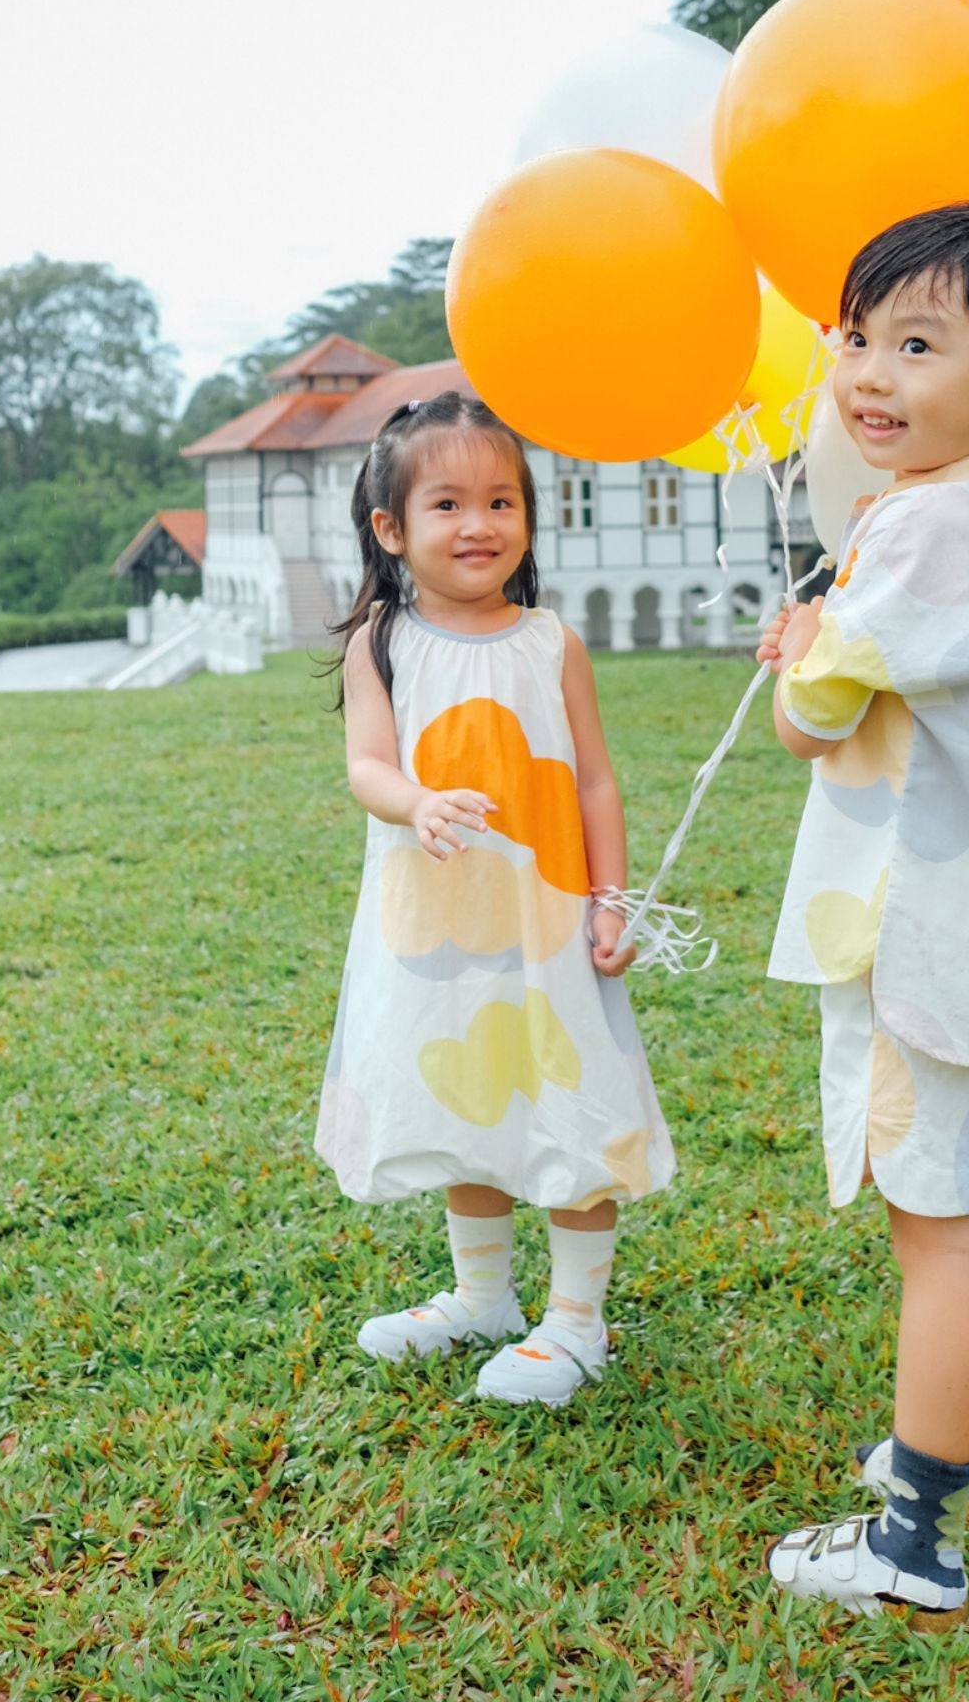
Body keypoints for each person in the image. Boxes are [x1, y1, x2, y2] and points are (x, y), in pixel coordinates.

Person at [756, 203, 969, 1627]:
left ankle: (914, 1538)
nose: (868, 375)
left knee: (935, 1234)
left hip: (933, 943)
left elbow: (809, 718)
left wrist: (798, 650)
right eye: (857, 337)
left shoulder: (925, 532)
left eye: (916, 344)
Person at [314, 389, 674, 1406]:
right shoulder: (380, 639)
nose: (479, 525)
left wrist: (611, 899)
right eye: (448, 504)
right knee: (463, 1091)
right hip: (431, 926)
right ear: (391, 528)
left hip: (546, 922)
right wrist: (416, 800)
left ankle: (575, 1319)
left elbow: (595, 779)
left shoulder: (551, 642)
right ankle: (482, 1293)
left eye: (502, 501)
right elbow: (367, 768)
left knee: (566, 1094)